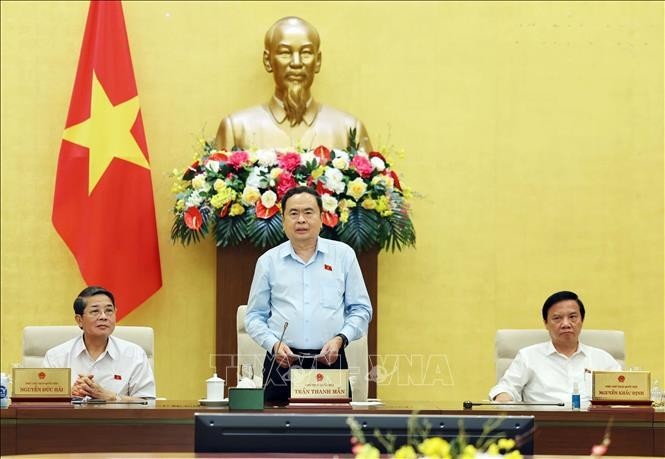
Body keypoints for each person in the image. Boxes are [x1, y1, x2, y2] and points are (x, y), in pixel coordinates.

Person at [245, 186, 372, 402]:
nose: (301, 220)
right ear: (283, 220)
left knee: (332, 431)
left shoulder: (343, 256)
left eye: (308, 212)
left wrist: (341, 339)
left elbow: (361, 309)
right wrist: (272, 344)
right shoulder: (268, 262)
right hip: (281, 361)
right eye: (293, 213)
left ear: (322, 218)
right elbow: (254, 316)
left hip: (330, 360)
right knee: (276, 432)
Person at [216, 16, 372, 152]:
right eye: (285, 52)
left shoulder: (349, 130)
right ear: (268, 61)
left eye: (306, 53)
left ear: (317, 61)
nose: (296, 63)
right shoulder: (236, 129)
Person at [489, 291, 620, 405]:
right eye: (557, 318)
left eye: (572, 317)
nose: (566, 324)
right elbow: (506, 388)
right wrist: (503, 397)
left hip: (595, 428)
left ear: (582, 320)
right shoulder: (528, 356)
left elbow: (624, 395)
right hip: (541, 427)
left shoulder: (603, 360)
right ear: (546, 323)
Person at [43, 286, 155, 400]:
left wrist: (112, 397)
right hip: (71, 418)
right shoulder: (56, 357)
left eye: (109, 311)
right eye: (95, 311)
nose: (103, 317)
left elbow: (148, 403)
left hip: (117, 418)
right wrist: (69, 395)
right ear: (79, 320)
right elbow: (44, 404)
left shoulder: (134, 354)